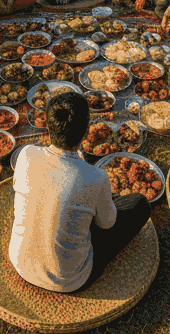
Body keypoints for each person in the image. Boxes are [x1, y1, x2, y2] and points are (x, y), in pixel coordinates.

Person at [8, 91, 151, 293]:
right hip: (71, 279)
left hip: (20, 263)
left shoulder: (26, 154)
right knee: (139, 204)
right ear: (85, 133)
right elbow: (107, 224)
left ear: (48, 127)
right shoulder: (96, 177)